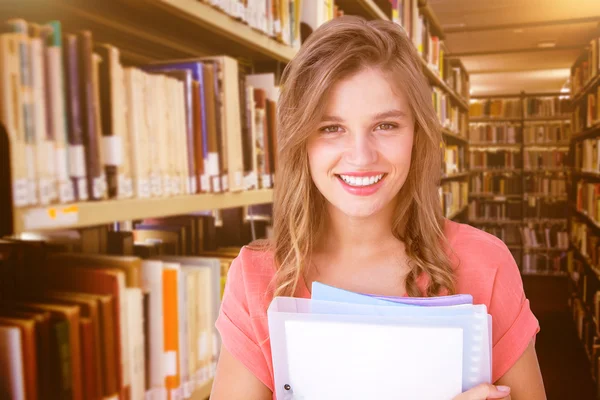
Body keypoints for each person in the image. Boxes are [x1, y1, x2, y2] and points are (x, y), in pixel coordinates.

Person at [210, 15, 546, 400]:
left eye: (385, 125)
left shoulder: (485, 264)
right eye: (330, 128)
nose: (360, 156)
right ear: (300, 140)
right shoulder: (256, 278)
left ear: (417, 134)